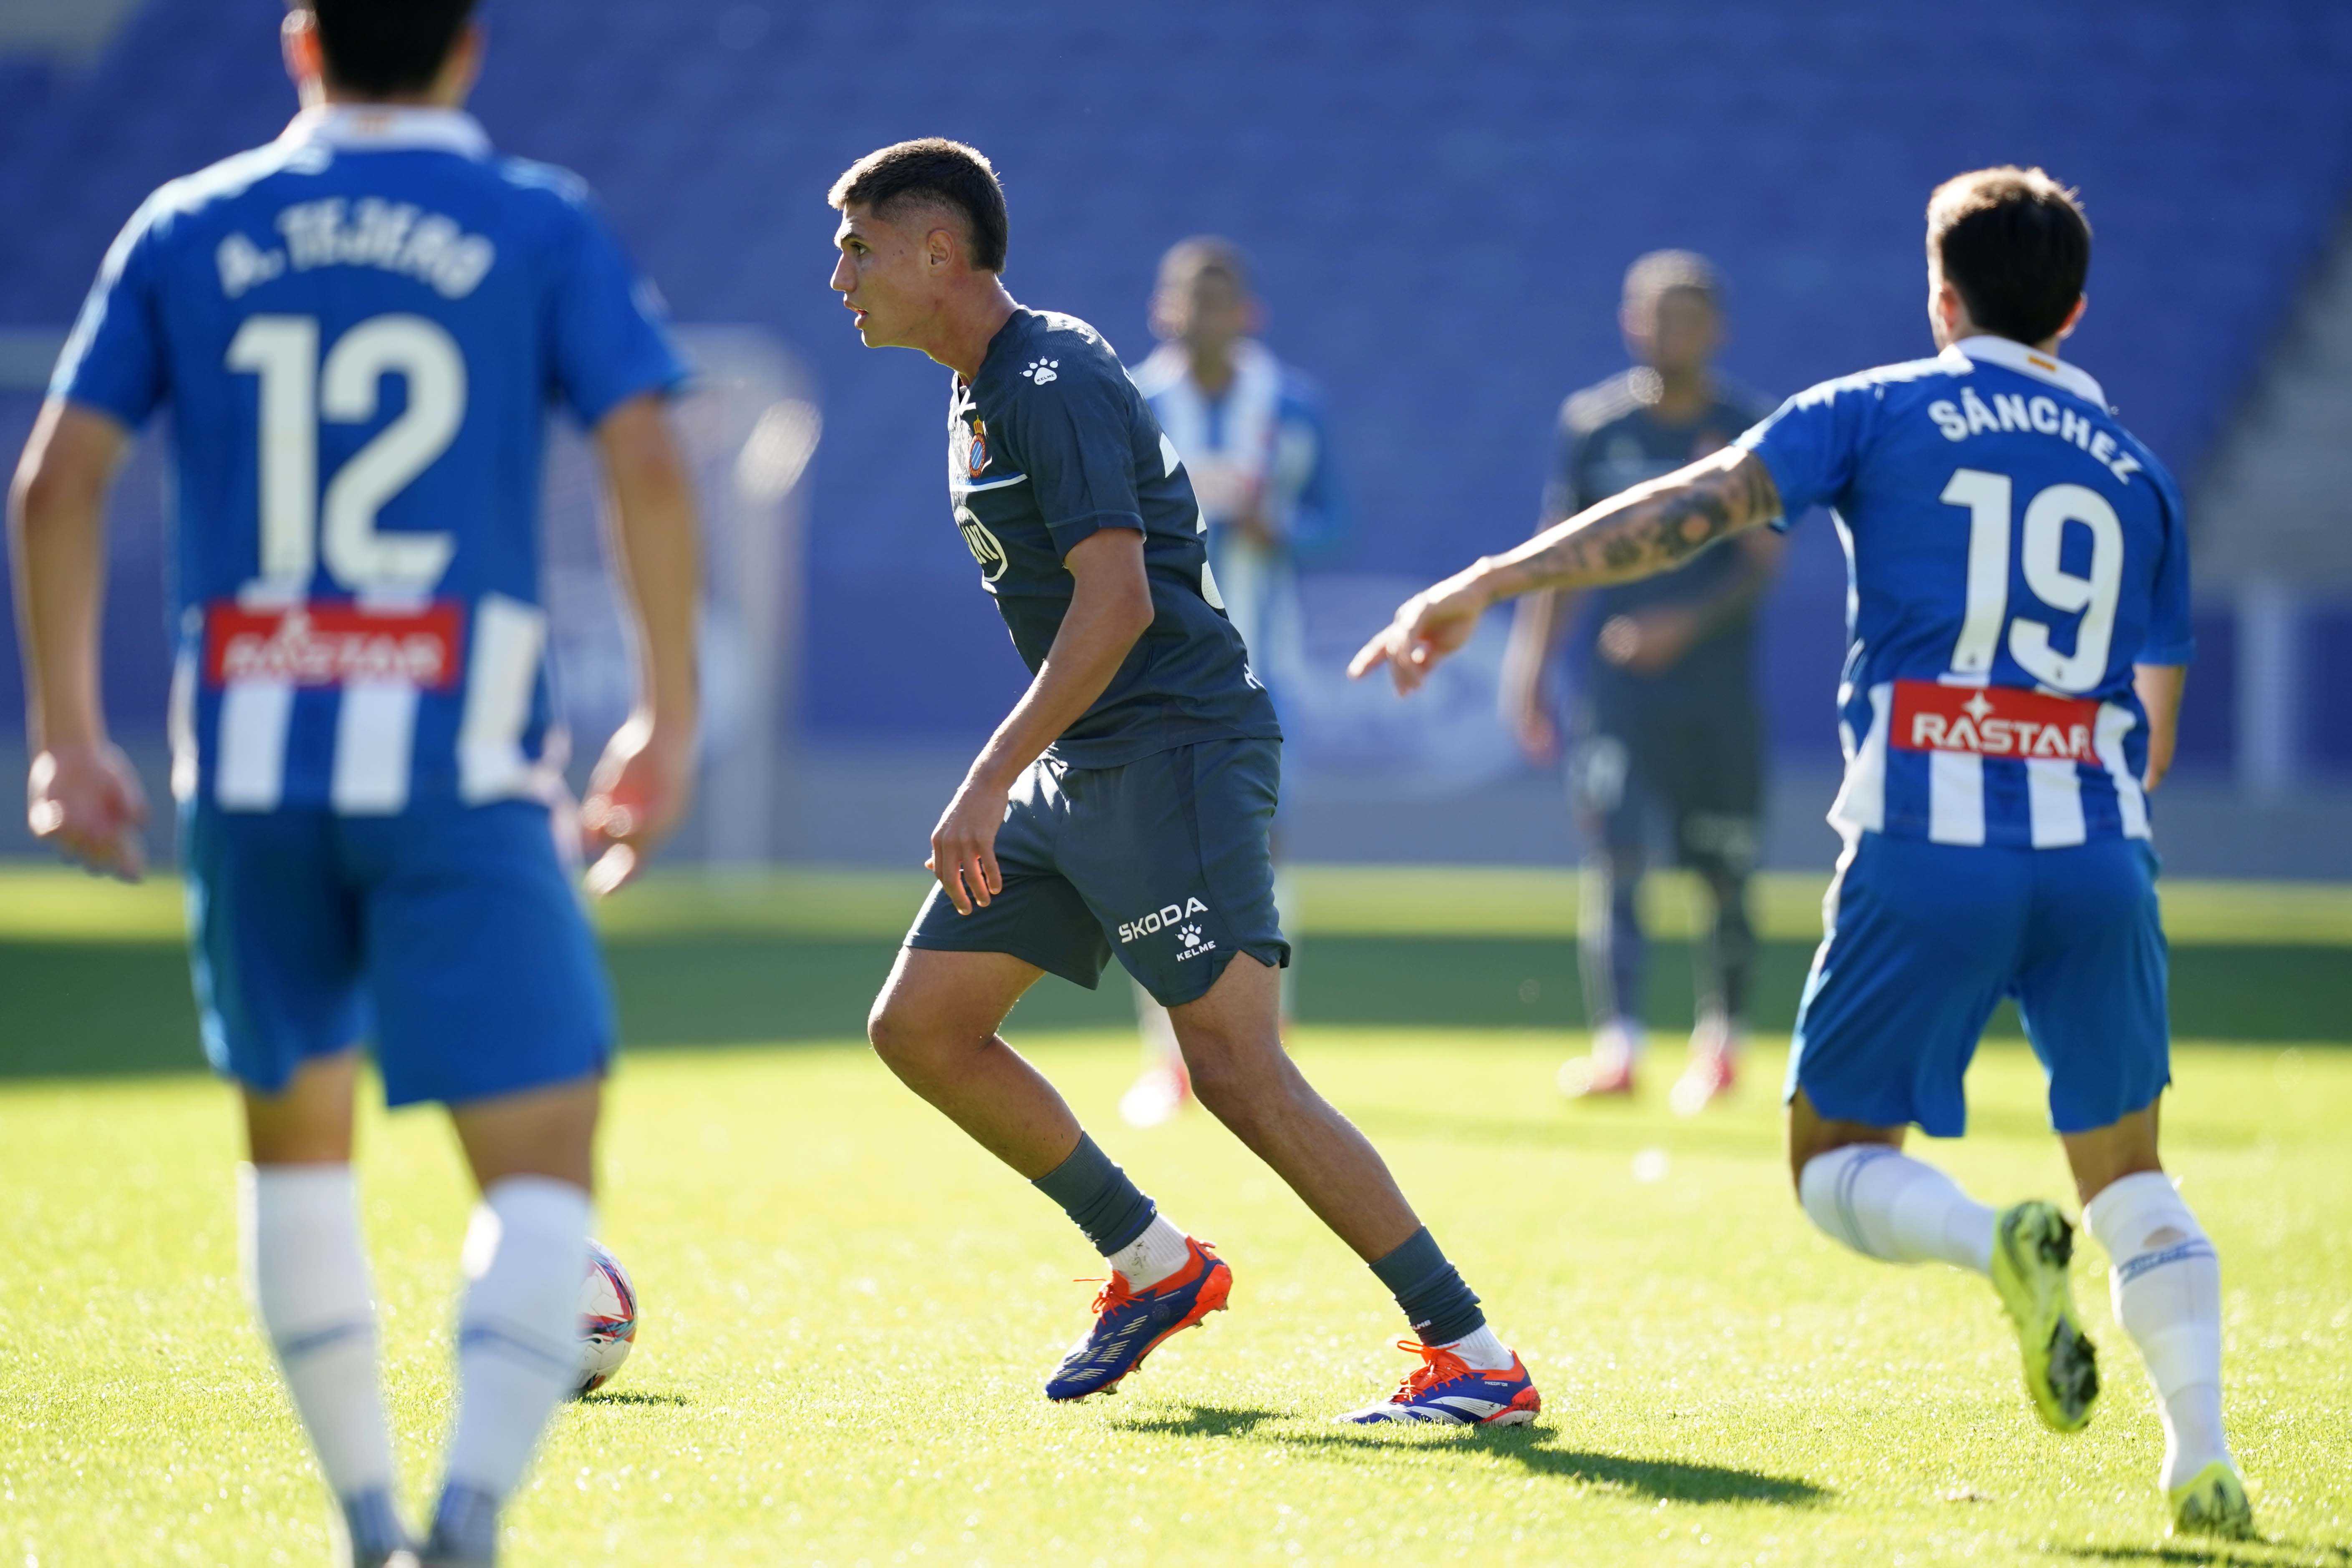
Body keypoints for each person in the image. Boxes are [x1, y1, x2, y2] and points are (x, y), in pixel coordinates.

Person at [1351, 167, 2250, 1537]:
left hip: (1922, 837)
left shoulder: (1876, 406)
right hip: (2096, 850)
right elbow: (2158, 734)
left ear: (1939, 297)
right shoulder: (2137, 472)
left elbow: (1691, 504)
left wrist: (1484, 581)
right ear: (2072, 308)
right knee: (2129, 1170)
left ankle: (1989, 1239)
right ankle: (2200, 1455)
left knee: (1832, 1159)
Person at [8, 3, 700, 1562]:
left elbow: (56, 480)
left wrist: (68, 736)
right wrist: (666, 715)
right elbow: (649, 461)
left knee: (296, 1151)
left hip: (249, 766)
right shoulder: (534, 219)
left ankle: (369, 1519)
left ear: (301, 44)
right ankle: (467, 1516)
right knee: (542, 1158)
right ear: (467, 47)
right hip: (459, 762)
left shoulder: (188, 224)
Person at [828, 139, 1535, 1425]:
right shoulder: (979, 388)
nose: (841, 278)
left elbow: (1119, 602)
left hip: (1174, 752)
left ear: (937, 252)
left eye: (858, 249)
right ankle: (1155, 1262)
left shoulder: (1050, 375)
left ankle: (1474, 1354)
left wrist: (989, 771)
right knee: (921, 1026)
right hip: (1089, 758)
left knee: (1238, 1070)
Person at [1499, 252, 1780, 1114]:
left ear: (1716, 329)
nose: (1668, 333)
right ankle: (1618, 1043)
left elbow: (1765, 559)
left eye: (1686, 317)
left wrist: (1682, 624)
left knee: (1721, 866)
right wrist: (1529, 670)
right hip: (1619, 689)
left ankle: (1722, 1041)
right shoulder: (1595, 426)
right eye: (1655, 316)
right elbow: (1560, 554)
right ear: (1630, 323)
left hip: (1716, 688)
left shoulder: (1748, 429)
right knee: (1615, 850)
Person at [1120, 237, 1346, 1127]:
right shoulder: (1132, 401)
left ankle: (1266, 1041)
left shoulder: (1291, 403)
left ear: (1248, 312)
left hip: (1263, 667)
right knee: (1154, 860)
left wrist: (1278, 522)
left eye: (1219, 298)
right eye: (1188, 297)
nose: (1203, 314)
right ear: (1161, 310)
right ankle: (1166, 1056)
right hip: (1154, 667)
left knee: (1262, 851)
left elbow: (1336, 518)